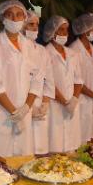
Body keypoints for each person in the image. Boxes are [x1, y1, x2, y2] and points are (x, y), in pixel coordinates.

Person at [0, 0, 43, 157]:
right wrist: (14, 112)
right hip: (1, 113)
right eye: (10, 15)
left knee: (23, 162)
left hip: (24, 112)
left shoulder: (30, 46)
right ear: (2, 18)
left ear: (24, 18)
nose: (15, 19)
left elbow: (37, 79)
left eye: (19, 15)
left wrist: (25, 109)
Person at [43, 15, 83, 152]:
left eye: (66, 30)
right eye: (61, 30)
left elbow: (78, 80)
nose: (65, 33)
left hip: (72, 104)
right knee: (55, 145)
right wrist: (64, 102)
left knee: (71, 147)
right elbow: (47, 82)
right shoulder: (45, 53)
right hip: (55, 104)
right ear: (52, 32)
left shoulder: (73, 53)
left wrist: (74, 99)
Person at [23, 10, 54, 156]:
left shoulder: (42, 50)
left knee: (41, 149)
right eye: (30, 24)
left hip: (41, 103)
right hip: (22, 105)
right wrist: (28, 107)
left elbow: (49, 78)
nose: (35, 28)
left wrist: (45, 103)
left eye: (37, 25)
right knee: (24, 150)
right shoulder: (17, 50)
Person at [70, 13, 93, 144]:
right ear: (85, 30)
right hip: (80, 98)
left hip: (92, 99)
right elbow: (76, 79)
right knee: (78, 136)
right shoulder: (74, 50)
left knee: (89, 136)